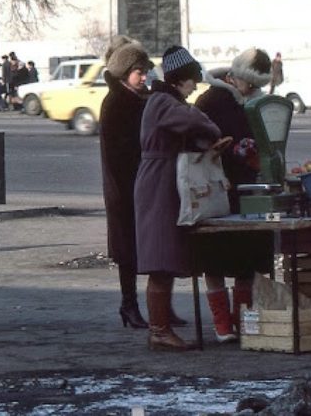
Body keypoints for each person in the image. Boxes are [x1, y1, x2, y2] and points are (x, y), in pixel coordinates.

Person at [133, 45, 227, 351]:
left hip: (163, 180)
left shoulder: (162, 101)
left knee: (166, 254)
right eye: (191, 81)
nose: (194, 88)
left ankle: (160, 327)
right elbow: (192, 120)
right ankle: (159, 330)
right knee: (161, 256)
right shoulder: (164, 102)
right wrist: (211, 129)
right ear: (179, 80)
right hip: (158, 182)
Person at [99, 37, 188, 330]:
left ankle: (164, 308)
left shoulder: (142, 99)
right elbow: (117, 153)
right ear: (125, 73)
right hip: (125, 187)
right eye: (139, 72)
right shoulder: (115, 102)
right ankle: (129, 305)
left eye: (146, 71)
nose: (144, 77)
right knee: (128, 250)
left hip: (145, 183)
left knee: (160, 246)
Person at [194, 48, 273, 343]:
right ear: (234, 76)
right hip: (215, 188)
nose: (253, 90)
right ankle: (221, 322)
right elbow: (197, 141)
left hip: (246, 187)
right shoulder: (210, 100)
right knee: (213, 259)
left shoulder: (253, 101)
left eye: (257, 86)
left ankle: (241, 317)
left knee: (247, 259)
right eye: (249, 84)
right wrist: (228, 148)